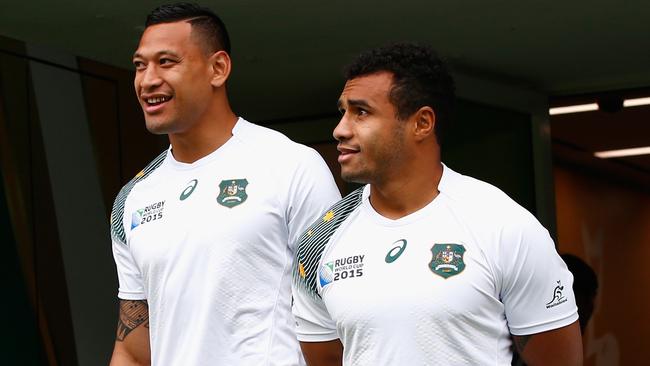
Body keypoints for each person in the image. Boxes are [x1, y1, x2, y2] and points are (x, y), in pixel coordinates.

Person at [291, 43, 583, 365]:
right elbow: (325, 360)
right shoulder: (319, 239)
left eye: (361, 112)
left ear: (422, 123)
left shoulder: (503, 224)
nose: (340, 129)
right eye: (343, 112)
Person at [109, 3, 340, 365]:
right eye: (140, 65)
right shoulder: (134, 198)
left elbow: (341, 325)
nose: (147, 79)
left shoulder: (292, 166)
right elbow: (133, 349)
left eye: (166, 62)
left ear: (218, 68)